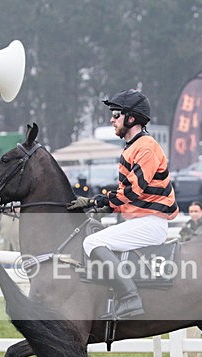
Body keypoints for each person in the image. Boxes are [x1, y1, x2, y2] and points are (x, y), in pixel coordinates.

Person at [66, 89, 178, 319]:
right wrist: (98, 205)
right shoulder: (133, 146)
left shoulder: (145, 147)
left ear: (132, 118)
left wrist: (96, 201)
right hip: (142, 220)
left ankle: (130, 298)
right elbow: (126, 196)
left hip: (150, 224)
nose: (112, 119)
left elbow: (132, 191)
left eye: (116, 114)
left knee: (92, 242)